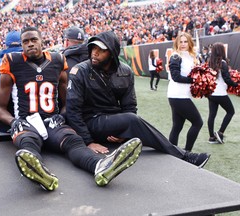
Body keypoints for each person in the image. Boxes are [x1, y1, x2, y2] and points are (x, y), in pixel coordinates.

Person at [0, 26, 142, 191]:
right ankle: (40, 174)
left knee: (73, 141)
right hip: (26, 120)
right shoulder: (12, 62)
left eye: (34, 40)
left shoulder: (58, 60)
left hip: (51, 120)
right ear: (21, 45)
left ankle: (100, 166)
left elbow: (67, 101)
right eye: (26, 41)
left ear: (42, 41)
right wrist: (13, 121)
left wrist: (62, 114)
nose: (30, 44)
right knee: (28, 143)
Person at [66, 30, 210, 168]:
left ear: (112, 53)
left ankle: (180, 153)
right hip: (91, 122)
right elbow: (73, 111)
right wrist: (88, 141)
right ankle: (184, 156)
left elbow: (129, 106)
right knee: (133, 120)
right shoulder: (80, 71)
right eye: (93, 48)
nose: (94, 53)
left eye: (101, 50)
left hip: (113, 122)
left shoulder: (125, 71)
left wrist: (125, 134)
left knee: (133, 120)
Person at [167, 32, 203, 152]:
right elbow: (176, 77)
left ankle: (171, 153)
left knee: (177, 126)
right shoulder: (176, 56)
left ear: (189, 42)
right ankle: (187, 152)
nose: (183, 44)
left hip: (181, 95)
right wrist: (195, 80)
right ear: (177, 43)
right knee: (198, 122)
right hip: (178, 96)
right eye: (180, 41)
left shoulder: (189, 56)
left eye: (185, 41)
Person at [207, 42, 239, 144]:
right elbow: (227, 79)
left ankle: (211, 137)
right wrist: (236, 84)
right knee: (230, 112)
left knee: (212, 114)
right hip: (220, 93)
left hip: (211, 93)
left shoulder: (210, 62)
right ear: (222, 51)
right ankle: (220, 133)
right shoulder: (223, 63)